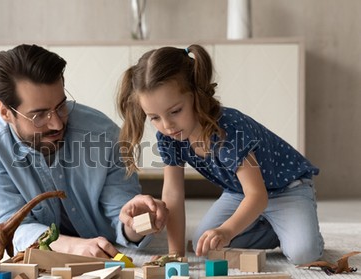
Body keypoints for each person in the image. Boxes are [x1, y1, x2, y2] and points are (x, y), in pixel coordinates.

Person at [117, 44, 324, 265]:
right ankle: (274, 228)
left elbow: (257, 195)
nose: (167, 125)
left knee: (304, 254)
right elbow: (173, 194)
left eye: (175, 111)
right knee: (204, 245)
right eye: (154, 118)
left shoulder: (228, 129)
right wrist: (176, 254)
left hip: (287, 189)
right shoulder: (169, 136)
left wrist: (227, 231)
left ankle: (295, 230)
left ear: (197, 95)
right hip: (239, 193)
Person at [0, 44, 168, 259]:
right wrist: (72, 247)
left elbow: (120, 218)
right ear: (5, 112)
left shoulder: (104, 135)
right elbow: (9, 227)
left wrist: (137, 222)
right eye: (39, 115)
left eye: (61, 106)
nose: (57, 124)